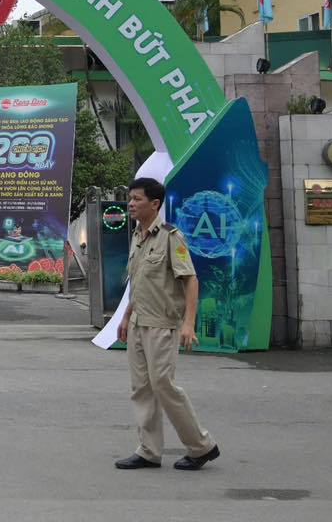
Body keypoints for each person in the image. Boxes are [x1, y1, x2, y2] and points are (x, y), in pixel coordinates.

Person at [113, 177, 219, 471]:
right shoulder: (137, 236)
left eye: (137, 199)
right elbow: (139, 282)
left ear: (155, 204)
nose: (130, 204)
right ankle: (149, 451)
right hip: (138, 322)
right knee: (141, 388)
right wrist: (126, 316)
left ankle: (201, 446)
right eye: (130, 199)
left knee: (163, 385)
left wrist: (189, 324)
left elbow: (191, 280)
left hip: (161, 324)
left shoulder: (171, 237)